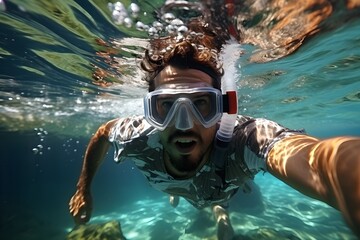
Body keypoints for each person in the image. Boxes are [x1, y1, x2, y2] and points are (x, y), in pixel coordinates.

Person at [69, 17, 360, 239]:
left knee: (221, 193)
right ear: (150, 110)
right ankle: (180, 191)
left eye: (202, 104)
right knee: (196, 188)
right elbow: (103, 133)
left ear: (223, 108)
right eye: (166, 106)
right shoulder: (136, 134)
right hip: (197, 182)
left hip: (221, 186)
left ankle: (220, 211)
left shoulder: (244, 139)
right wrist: (83, 188)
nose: (185, 124)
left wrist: (348, 173)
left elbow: (313, 159)